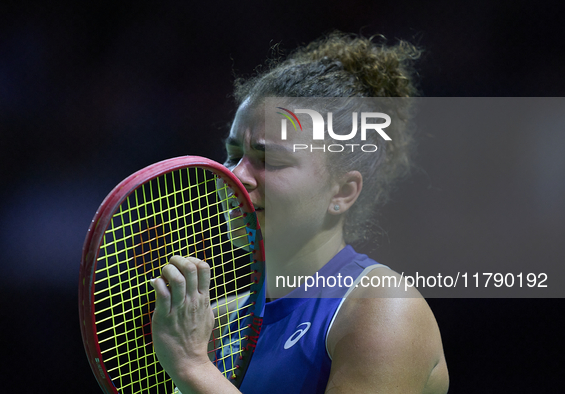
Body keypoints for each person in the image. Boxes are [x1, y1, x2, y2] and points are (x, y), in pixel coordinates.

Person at [149, 32, 449, 394]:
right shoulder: (217, 322)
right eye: (233, 155)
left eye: (269, 159)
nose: (237, 176)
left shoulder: (381, 310)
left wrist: (192, 367)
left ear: (342, 192)